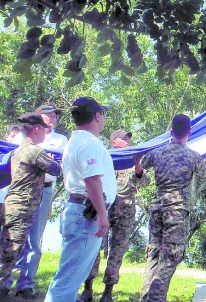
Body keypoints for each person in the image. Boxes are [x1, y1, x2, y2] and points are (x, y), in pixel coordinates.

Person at [45, 97, 117, 301]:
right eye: (102, 113)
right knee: (68, 280)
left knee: (70, 276)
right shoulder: (89, 142)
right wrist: (102, 214)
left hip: (79, 210)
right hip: (87, 214)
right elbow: (92, 179)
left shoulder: (75, 140)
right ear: (97, 116)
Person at [140, 114, 206, 302]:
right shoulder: (192, 156)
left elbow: (142, 162)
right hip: (176, 211)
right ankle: (156, 299)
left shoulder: (158, 153)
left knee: (154, 254)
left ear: (171, 131)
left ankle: (145, 297)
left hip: (157, 207)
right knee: (170, 258)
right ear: (189, 133)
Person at [78, 130, 150, 302]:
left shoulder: (133, 160)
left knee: (118, 250)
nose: (128, 141)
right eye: (124, 138)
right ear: (113, 142)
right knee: (95, 247)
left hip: (126, 210)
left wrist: (139, 166)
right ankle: (87, 289)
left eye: (129, 138)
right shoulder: (104, 158)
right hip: (105, 207)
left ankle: (107, 291)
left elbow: (146, 182)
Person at [8, 104, 68, 297]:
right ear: (37, 123)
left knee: (34, 240)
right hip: (22, 194)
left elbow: (59, 166)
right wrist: (48, 159)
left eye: (54, 115)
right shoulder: (25, 142)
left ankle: (25, 284)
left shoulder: (60, 139)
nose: (52, 118)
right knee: (12, 239)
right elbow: (54, 166)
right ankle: (5, 282)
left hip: (43, 192)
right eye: (48, 115)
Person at [1, 126, 20, 231]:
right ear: (6, 136)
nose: (14, 140)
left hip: (12, 200)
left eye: (17, 137)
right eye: (13, 136)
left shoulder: (21, 153)